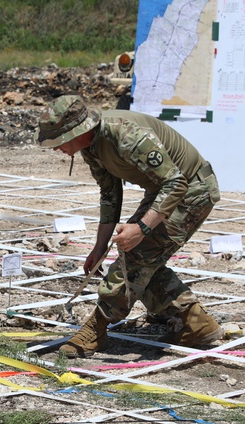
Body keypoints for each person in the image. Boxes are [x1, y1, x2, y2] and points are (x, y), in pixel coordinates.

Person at [37, 95, 222, 357]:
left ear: (76, 131)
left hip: (192, 190)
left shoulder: (125, 134)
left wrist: (142, 228)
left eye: (57, 141)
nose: (56, 148)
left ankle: (95, 328)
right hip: (162, 191)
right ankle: (196, 323)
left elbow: (176, 183)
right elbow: (110, 194)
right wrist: (99, 248)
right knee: (142, 259)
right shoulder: (90, 148)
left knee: (136, 256)